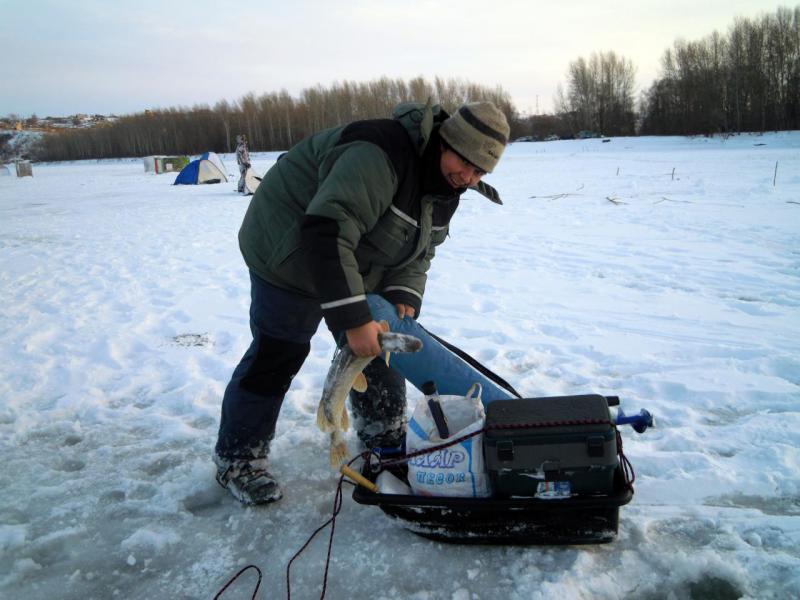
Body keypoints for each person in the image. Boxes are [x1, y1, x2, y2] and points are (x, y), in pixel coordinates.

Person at [214, 100, 510, 505]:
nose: (469, 177)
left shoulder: (448, 184)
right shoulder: (379, 154)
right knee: (279, 351)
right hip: (288, 248)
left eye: (480, 172)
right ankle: (239, 458)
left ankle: (382, 433)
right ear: (445, 142)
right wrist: (353, 318)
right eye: (466, 163)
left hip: (354, 253)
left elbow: (422, 249)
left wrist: (403, 292)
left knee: (377, 345)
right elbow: (327, 229)